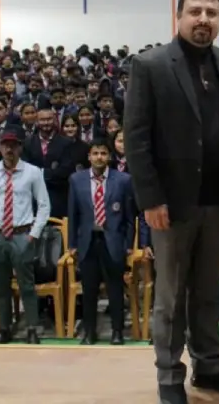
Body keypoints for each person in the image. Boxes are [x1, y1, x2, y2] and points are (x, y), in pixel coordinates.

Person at [125, 0, 219, 404]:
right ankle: (168, 376)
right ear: (178, 17)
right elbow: (137, 137)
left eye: (212, 12)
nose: (204, 19)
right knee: (171, 296)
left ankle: (209, 365)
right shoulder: (151, 65)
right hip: (172, 204)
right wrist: (150, 199)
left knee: (206, 289)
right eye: (195, 11)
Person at [0, 130, 51, 344]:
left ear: (20, 147)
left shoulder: (33, 172)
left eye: (13, 145)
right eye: (5, 145)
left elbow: (44, 206)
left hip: (22, 234)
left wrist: (33, 235)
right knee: (1, 285)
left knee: (27, 285)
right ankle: (4, 328)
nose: (9, 149)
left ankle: (32, 328)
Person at [67, 139, 139, 345]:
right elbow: (73, 214)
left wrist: (127, 245)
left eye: (103, 153)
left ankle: (117, 331)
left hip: (113, 241)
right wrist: (72, 243)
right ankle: (90, 332)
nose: (99, 157)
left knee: (115, 288)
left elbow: (129, 217)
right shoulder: (76, 180)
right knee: (89, 289)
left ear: (109, 157)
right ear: (89, 157)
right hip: (88, 241)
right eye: (95, 153)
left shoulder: (123, 180)